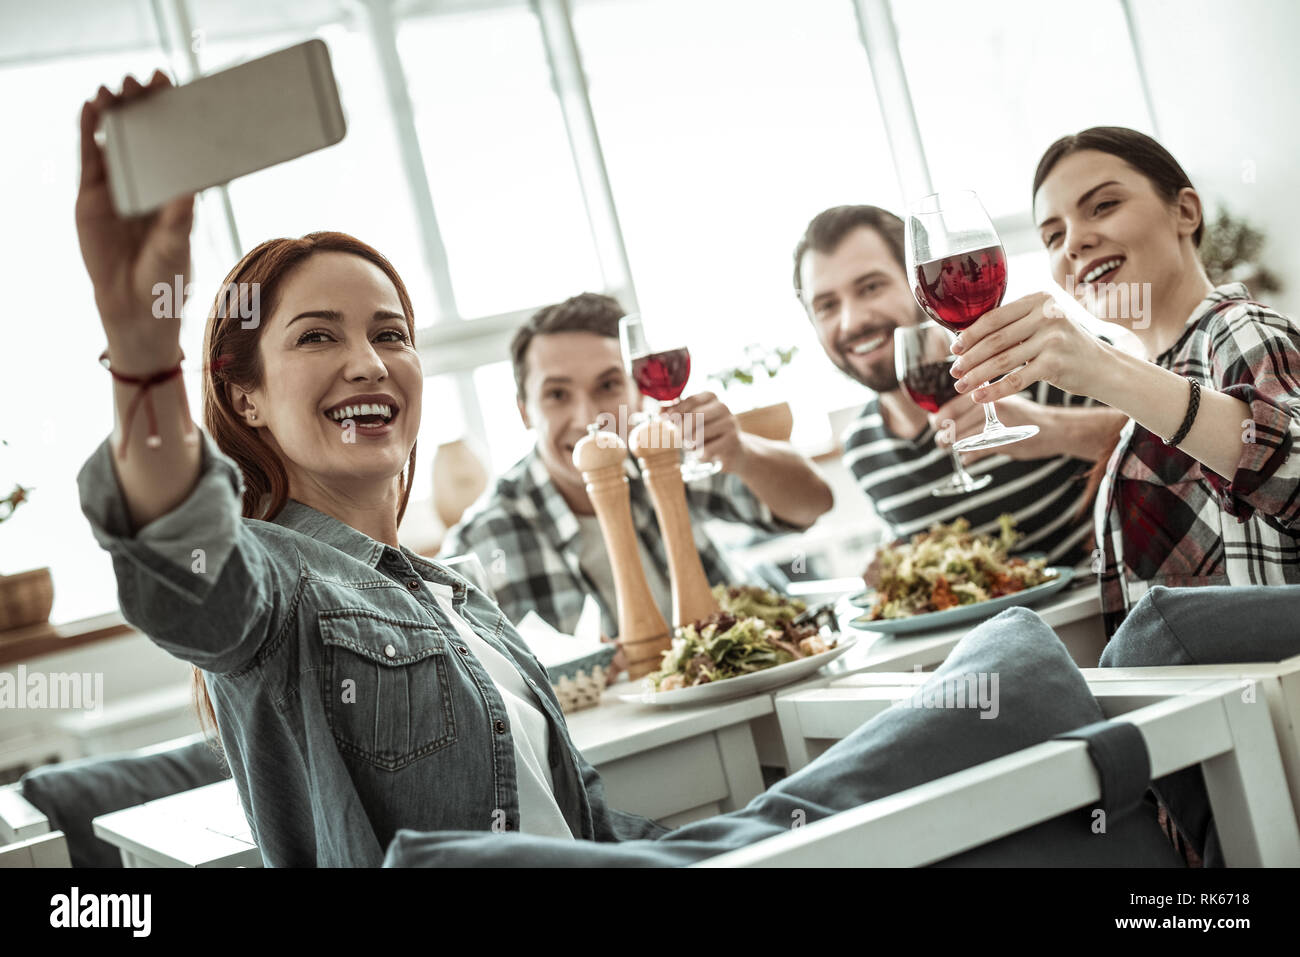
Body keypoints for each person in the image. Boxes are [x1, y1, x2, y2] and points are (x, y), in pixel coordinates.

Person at [950, 126, 1300, 635]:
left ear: (1185, 212)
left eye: (1103, 206)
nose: (1074, 241)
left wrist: (1103, 368)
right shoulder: (1163, 369)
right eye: (1052, 236)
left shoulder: (1233, 329)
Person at [441, 293, 834, 641]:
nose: (587, 418)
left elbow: (812, 503)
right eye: (557, 394)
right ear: (525, 411)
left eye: (608, 386)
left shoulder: (664, 454)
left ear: (638, 394)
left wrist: (741, 453)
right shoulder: (480, 543)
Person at [793, 205, 1127, 566]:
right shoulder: (862, 451)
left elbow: (1172, 439)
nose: (851, 320)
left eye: (871, 287)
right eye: (826, 305)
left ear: (920, 284)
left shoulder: (1035, 356)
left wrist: (1051, 429)